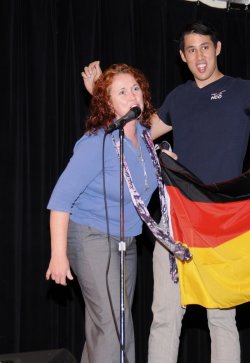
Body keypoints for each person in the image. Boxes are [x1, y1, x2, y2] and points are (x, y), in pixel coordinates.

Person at [81, 19, 250, 363]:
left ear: (217, 49)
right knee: (164, 316)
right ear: (182, 57)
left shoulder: (240, 91)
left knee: (221, 319)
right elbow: (135, 133)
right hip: (176, 223)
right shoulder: (179, 97)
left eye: (205, 47)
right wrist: (99, 92)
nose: (199, 56)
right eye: (191, 50)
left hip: (221, 224)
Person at [45, 64, 160, 363]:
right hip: (90, 237)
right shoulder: (97, 142)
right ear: (108, 103)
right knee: (114, 328)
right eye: (121, 92)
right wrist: (59, 255)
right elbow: (60, 200)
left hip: (127, 242)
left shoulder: (146, 138)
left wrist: (167, 158)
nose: (132, 95)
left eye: (135, 88)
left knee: (107, 326)